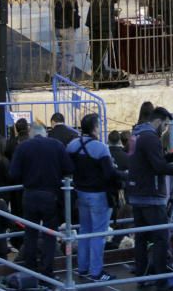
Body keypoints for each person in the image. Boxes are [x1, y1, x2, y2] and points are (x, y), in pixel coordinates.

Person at [126, 107, 173, 291]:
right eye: (166, 125)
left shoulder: (139, 135)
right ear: (159, 121)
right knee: (161, 237)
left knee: (142, 238)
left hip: (138, 193)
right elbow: (158, 166)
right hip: (151, 196)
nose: (166, 129)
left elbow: (152, 161)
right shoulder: (151, 138)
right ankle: (161, 279)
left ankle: (142, 277)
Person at [9, 122, 73, 279]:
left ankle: (30, 270)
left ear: (31, 133)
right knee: (50, 235)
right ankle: (47, 272)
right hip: (50, 195)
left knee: (30, 233)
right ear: (45, 133)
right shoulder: (56, 145)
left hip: (30, 195)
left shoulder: (23, 147)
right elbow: (69, 169)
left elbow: (13, 174)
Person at [66, 113, 120, 282]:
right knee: (98, 234)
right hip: (98, 196)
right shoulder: (101, 148)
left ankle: (82, 268)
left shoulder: (73, 145)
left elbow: (68, 166)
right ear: (96, 128)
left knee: (84, 231)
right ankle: (96, 271)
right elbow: (109, 174)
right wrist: (123, 175)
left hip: (80, 193)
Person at [86, 0, 121, 85]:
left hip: (93, 20)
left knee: (94, 45)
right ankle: (99, 72)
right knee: (103, 46)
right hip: (105, 22)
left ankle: (98, 70)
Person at [54, 0, 81, 78]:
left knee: (61, 53)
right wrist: (76, 24)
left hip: (58, 27)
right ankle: (66, 77)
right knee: (69, 55)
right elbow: (72, 16)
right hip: (67, 28)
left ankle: (54, 74)